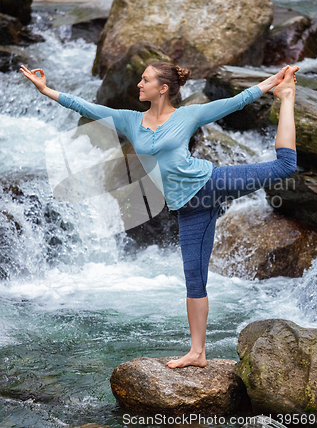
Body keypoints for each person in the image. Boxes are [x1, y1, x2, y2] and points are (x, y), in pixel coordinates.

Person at [20, 61, 298, 369]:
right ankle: (197, 353)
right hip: (189, 209)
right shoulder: (129, 120)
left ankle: (287, 98)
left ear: (162, 88)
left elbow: (237, 101)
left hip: (214, 183)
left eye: (145, 80)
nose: (139, 84)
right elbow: (85, 106)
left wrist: (276, 81)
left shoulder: (187, 115)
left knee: (285, 166)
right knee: (194, 279)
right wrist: (46, 90)